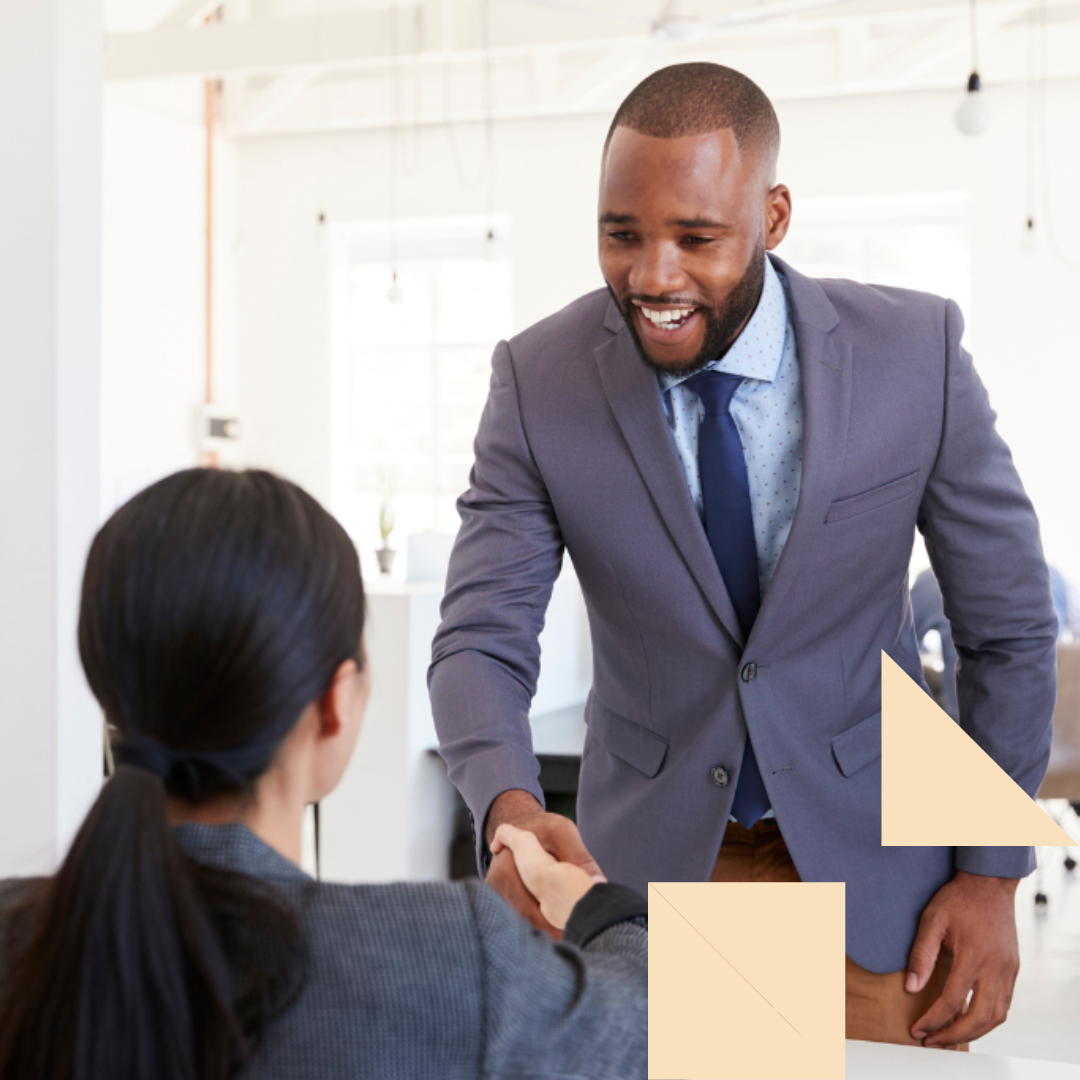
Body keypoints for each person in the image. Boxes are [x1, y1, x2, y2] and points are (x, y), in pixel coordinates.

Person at [430, 62, 1059, 1051]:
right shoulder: (538, 380)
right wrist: (509, 810)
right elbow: (479, 637)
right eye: (621, 233)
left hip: (882, 880)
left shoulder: (914, 353)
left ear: (773, 214)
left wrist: (991, 871)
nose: (653, 276)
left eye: (697, 237)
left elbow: (1011, 628)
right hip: (653, 883)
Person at [0, 469, 647, 1080]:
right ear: (334, 704)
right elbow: (654, 1033)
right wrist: (599, 907)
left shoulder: (16, 933)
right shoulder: (447, 958)